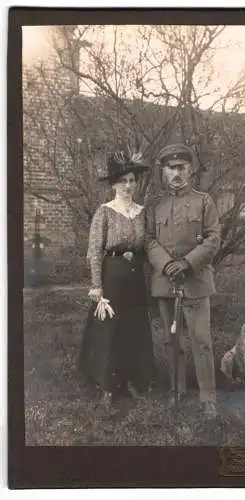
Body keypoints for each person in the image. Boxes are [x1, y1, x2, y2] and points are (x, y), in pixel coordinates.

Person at [145, 143, 221, 419]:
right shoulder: (155, 205)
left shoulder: (204, 201)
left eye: (181, 167)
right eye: (170, 168)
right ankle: (177, 391)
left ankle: (207, 397)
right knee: (172, 339)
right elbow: (149, 239)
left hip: (196, 281)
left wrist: (187, 263)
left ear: (190, 169)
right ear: (163, 172)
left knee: (201, 340)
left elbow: (213, 238)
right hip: (166, 281)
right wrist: (166, 264)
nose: (176, 173)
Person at [78, 149, 154, 413]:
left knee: (133, 328)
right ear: (113, 184)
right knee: (110, 330)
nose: (128, 186)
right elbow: (95, 250)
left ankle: (132, 380)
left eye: (132, 180)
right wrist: (96, 285)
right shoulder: (105, 212)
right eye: (122, 181)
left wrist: (138, 253)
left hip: (134, 278)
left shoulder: (142, 212)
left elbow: (148, 245)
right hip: (111, 276)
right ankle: (107, 385)